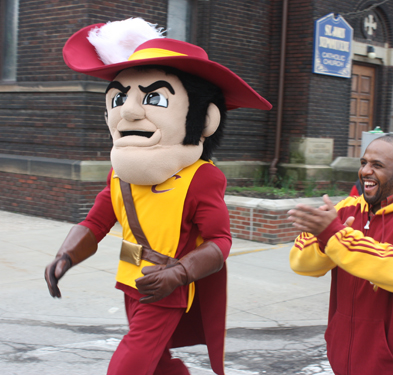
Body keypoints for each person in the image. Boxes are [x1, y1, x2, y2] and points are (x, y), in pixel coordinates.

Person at [44, 18, 271, 375]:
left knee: (129, 364)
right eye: (120, 97)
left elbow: (220, 240)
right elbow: (97, 221)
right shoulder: (120, 173)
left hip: (167, 285)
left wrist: (179, 274)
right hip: (130, 277)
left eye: (154, 97)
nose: (130, 111)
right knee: (156, 357)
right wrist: (66, 256)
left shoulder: (200, 178)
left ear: (205, 118)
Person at [288, 135, 393, 375]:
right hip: (344, 356)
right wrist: (327, 237)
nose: (365, 171)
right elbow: (300, 262)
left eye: (377, 165)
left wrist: (336, 235)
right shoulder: (345, 209)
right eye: (364, 163)